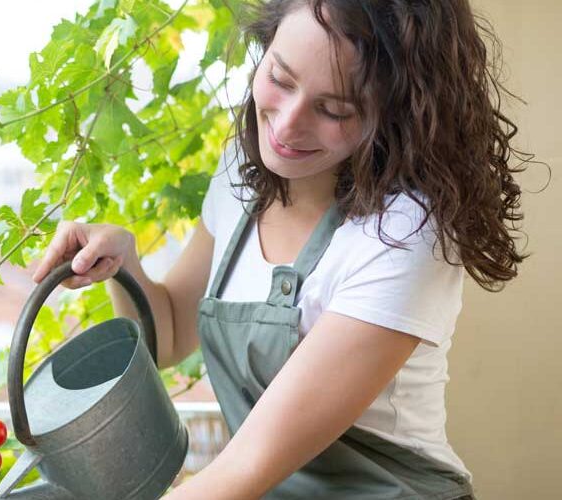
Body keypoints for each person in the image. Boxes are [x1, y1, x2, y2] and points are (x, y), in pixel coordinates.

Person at [31, 0, 531, 498]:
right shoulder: (238, 177)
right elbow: (170, 335)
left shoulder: (405, 232)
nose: (288, 125)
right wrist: (125, 262)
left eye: (334, 109)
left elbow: (246, 467)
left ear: (392, 110)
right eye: (281, 78)